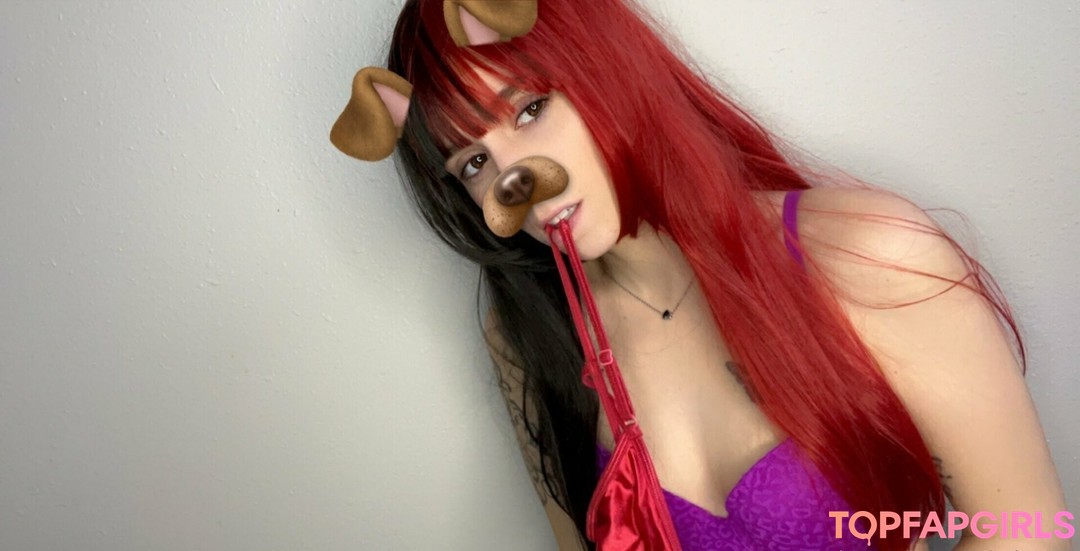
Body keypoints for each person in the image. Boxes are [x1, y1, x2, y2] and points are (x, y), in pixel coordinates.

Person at [330, 1, 1068, 549]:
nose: (513, 179)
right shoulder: (532, 336)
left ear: (608, 68)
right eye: (473, 163)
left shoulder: (865, 253)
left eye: (530, 110)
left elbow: (1028, 529)